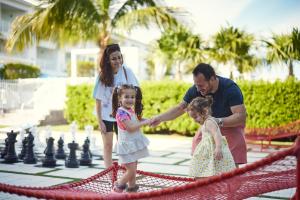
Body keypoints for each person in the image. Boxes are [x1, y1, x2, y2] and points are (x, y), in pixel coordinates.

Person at [150, 63, 247, 166]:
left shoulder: (230, 88)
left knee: (229, 163)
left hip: (229, 125)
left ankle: (231, 180)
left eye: (200, 85)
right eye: (196, 85)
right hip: (209, 125)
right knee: (198, 154)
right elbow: (180, 108)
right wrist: (159, 118)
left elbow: (240, 117)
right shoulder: (196, 90)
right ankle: (204, 180)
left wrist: (216, 121)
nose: (197, 89)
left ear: (212, 79)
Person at [93, 44, 139, 168]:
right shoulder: (102, 75)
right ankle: (111, 179)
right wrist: (99, 122)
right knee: (108, 146)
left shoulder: (127, 72)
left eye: (119, 57)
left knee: (125, 146)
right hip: (106, 116)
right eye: (114, 58)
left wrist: (136, 114)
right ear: (108, 60)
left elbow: (137, 91)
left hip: (123, 116)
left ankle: (127, 175)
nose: (117, 61)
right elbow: (98, 100)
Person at [111, 84, 150, 193]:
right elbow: (131, 128)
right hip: (126, 146)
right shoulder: (121, 112)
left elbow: (135, 120)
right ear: (120, 98)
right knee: (131, 171)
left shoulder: (129, 110)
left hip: (132, 145)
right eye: (126, 97)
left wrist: (147, 120)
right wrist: (145, 123)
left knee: (133, 170)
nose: (130, 99)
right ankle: (117, 187)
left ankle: (132, 189)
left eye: (132, 97)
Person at [187, 96, 235, 178]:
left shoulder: (209, 122)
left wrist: (218, 148)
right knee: (207, 168)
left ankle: (204, 180)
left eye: (195, 117)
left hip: (212, 150)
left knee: (209, 169)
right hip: (208, 152)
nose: (195, 120)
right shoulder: (207, 121)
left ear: (205, 111)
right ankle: (203, 179)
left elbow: (217, 134)